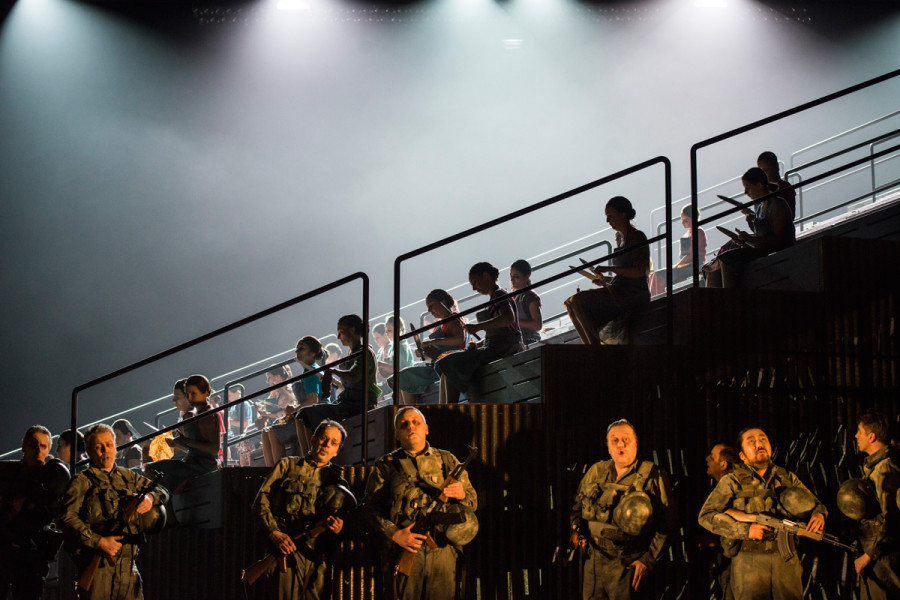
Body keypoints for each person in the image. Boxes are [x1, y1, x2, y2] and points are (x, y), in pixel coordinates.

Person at [698, 427, 827, 600]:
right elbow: (706, 515)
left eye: (763, 439)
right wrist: (745, 530)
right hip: (749, 562)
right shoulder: (732, 480)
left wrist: (819, 515)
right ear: (742, 455)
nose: (759, 444)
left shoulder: (786, 477)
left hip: (786, 562)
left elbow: (816, 505)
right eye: (751, 441)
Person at [363, 407, 477, 600]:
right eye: (404, 424)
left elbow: (472, 502)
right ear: (397, 434)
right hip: (405, 548)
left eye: (416, 422)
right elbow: (369, 508)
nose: (410, 426)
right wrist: (394, 534)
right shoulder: (386, 465)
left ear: (426, 429)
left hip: (442, 550)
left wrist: (461, 494)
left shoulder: (447, 460)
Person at [59, 424, 168, 600]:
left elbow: (162, 491)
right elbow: (67, 518)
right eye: (98, 447)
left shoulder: (128, 477)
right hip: (98, 569)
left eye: (109, 445)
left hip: (128, 569)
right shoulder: (81, 482)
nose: (105, 451)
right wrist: (98, 542)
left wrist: (150, 498)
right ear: (88, 450)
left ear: (116, 446)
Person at [571, 419, 675, 599]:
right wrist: (576, 531)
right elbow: (577, 507)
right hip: (593, 561)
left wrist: (647, 560)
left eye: (626, 439)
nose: (621, 444)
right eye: (615, 440)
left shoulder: (653, 476)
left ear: (636, 443)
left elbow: (669, 523)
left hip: (627, 563)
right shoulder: (595, 471)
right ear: (608, 446)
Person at [252, 420, 350, 599]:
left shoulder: (338, 483)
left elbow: (347, 524)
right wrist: (274, 533)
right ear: (313, 439)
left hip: (317, 557)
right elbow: (261, 502)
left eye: (334, 443)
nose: (327, 445)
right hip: (285, 550)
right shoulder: (287, 466)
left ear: (337, 451)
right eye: (323, 438)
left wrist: (339, 527)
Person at [565, 197, 651, 346]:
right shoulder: (619, 238)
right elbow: (624, 275)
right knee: (570, 305)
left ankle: (596, 347)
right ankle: (590, 346)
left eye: (610, 216)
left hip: (633, 294)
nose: (607, 220)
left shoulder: (637, 237)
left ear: (623, 214)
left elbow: (638, 271)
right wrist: (606, 279)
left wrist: (609, 268)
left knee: (578, 301)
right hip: (620, 289)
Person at [434, 262, 523, 403]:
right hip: (497, 345)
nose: (474, 288)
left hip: (506, 346)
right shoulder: (495, 296)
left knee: (449, 361)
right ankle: (445, 407)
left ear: (486, 276)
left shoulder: (500, 294)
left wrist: (477, 327)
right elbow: (497, 332)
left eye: (475, 282)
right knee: (445, 363)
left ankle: (450, 408)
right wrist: (480, 343)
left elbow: (508, 318)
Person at [0, 425, 69, 600]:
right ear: (23, 445)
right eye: (33, 444)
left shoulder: (53, 478)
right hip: (4, 551)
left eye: (43, 446)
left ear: (49, 450)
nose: (38, 450)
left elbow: (54, 512)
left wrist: (28, 504)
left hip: (32, 556)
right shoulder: (6, 471)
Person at [294, 315, 380, 443]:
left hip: (358, 403)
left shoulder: (364, 353)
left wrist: (333, 371)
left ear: (352, 330)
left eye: (341, 332)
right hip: (348, 402)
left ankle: (311, 454)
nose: (338, 337)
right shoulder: (354, 353)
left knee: (304, 414)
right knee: (302, 415)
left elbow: (353, 376)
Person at [704, 168, 794, 288]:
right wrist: (744, 239)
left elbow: (778, 239)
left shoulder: (778, 205)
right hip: (763, 247)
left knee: (727, 259)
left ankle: (727, 296)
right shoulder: (759, 206)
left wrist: (750, 239)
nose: (746, 192)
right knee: (710, 266)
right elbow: (762, 234)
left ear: (759, 185)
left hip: (777, 247)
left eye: (748, 187)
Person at [843, 410, 900, 599]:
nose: (856, 436)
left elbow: (892, 520)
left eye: (859, 431)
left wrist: (868, 556)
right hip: (877, 553)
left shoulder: (885, 469)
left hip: (883, 556)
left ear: (872, 436)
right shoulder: (875, 468)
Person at [148, 374, 224, 494]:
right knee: (152, 469)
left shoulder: (209, 415)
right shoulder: (198, 414)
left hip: (203, 465)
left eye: (193, 393)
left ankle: (168, 508)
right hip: (194, 462)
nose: (190, 397)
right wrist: (179, 444)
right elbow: (195, 449)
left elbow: (214, 448)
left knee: (150, 469)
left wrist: (186, 441)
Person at [261, 336, 326, 465]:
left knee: (273, 431)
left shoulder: (311, 372)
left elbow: (313, 400)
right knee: (265, 431)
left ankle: (280, 473)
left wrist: (293, 410)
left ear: (312, 353)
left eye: (301, 348)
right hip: (305, 415)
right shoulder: (306, 371)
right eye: (297, 349)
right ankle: (270, 471)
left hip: (315, 418)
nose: (297, 352)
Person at [395, 289, 466, 406]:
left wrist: (431, 342)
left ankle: (410, 413)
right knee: (398, 377)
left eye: (431, 305)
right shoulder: (440, 325)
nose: (429, 310)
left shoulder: (454, 319)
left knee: (404, 376)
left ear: (442, 301)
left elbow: (459, 339)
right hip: (439, 365)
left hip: (450, 364)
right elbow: (431, 357)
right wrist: (423, 353)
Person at [700, 443, 739, 600]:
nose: (707, 459)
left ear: (723, 464)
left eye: (712, 456)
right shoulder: (717, 488)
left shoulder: (733, 488)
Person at [648, 204, 707, 296]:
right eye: (682, 220)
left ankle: (658, 298)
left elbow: (691, 255)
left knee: (659, 274)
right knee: (654, 275)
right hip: (685, 265)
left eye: (686, 220)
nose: (683, 223)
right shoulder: (687, 234)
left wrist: (676, 266)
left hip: (694, 266)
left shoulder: (698, 232)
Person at [509, 259, 543, 346]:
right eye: (511, 277)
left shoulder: (530, 297)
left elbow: (537, 325)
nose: (512, 280)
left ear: (526, 276)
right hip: (518, 339)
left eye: (516, 277)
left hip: (529, 340)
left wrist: (515, 322)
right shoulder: (513, 297)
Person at [757, 151, 796, 219]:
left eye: (766, 170)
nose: (764, 175)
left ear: (776, 167)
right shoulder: (763, 191)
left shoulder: (785, 188)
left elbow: (790, 216)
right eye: (762, 172)